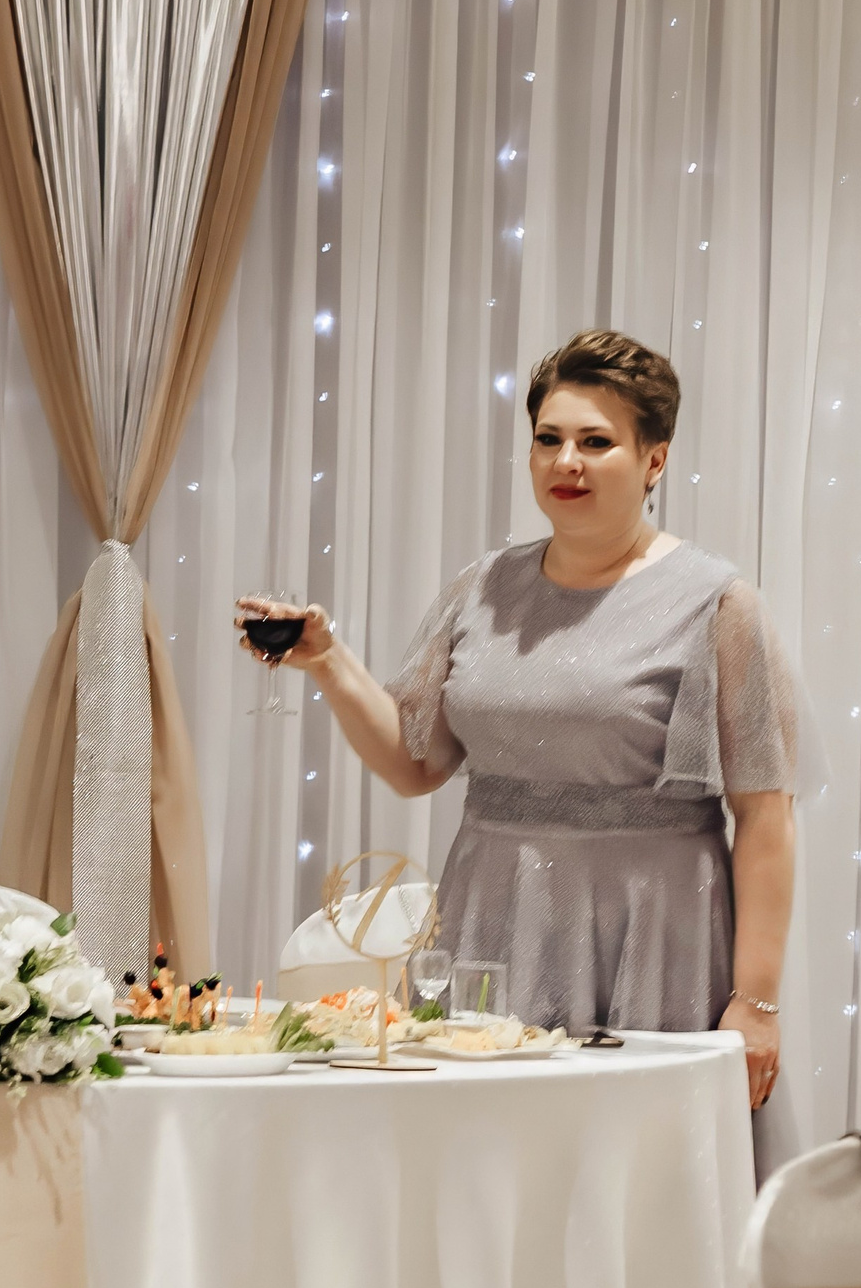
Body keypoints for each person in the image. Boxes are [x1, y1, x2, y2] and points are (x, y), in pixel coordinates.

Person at [236, 329, 802, 1110]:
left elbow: (766, 815)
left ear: (655, 460)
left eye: (596, 442)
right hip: (491, 919)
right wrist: (328, 660)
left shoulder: (718, 603)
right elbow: (414, 764)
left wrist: (758, 1000)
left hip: (652, 931)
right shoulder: (483, 587)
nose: (566, 461)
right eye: (548, 439)